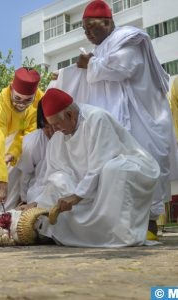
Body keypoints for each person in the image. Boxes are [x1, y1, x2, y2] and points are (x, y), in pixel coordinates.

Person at [76, 0, 178, 239]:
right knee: (119, 170)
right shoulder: (103, 47)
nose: (88, 32)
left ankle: (150, 225)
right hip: (122, 119)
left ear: (108, 22)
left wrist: (89, 63)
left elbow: (124, 67)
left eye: (92, 26)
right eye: (84, 29)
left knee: (145, 164)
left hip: (143, 117)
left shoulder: (128, 38)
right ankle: (127, 226)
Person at [35, 88, 159, 247]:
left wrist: (76, 196)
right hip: (88, 184)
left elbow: (101, 163)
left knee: (114, 169)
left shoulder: (97, 118)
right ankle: (69, 235)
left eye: (57, 125)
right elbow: (54, 171)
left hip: (129, 167)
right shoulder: (59, 135)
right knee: (58, 181)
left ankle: (122, 235)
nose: (55, 131)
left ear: (70, 115)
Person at [0, 67, 43, 210]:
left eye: (27, 100)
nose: (21, 104)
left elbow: (29, 132)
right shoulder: (0, 106)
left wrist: (14, 152)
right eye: (17, 99)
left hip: (19, 145)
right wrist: (1, 183)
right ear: (11, 89)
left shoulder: (40, 101)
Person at [16, 101, 54, 210]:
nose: (51, 131)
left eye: (53, 125)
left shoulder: (67, 134)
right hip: (39, 192)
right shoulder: (32, 142)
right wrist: (24, 199)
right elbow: (26, 174)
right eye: (46, 127)